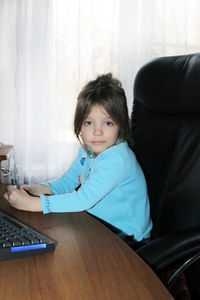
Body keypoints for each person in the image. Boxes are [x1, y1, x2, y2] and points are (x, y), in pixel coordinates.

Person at [4, 73, 152, 247]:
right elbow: (68, 182)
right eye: (89, 123)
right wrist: (37, 189)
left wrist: (32, 204)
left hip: (129, 240)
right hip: (99, 228)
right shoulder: (88, 151)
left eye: (108, 123)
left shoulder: (117, 159)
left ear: (121, 126)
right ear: (79, 125)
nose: (97, 132)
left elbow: (83, 199)